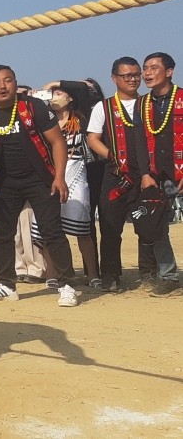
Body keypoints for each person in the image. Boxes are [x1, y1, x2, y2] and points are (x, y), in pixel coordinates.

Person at [0, 65, 80, 307]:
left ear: (15, 83)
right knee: (1, 236)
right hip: (2, 183)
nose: (3, 85)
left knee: (52, 232)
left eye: (8, 80)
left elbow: (57, 142)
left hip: (40, 179)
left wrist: (59, 176)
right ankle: (6, 285)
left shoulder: (33, 107)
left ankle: (66, 285)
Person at [87, 57, 157, 292]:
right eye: (127, 75)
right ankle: (110, 275)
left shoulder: (150, 104)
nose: (133, 79)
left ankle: (149, 273)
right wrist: (113, 156)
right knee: (110, 227)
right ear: (114, 78)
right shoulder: (103, 107)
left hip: (147, 176)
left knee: (148, 226)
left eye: (137, 74)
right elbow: (93, 139)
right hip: (114, 176)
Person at [32, 83, 99, 288]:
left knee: (82, 228)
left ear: (71, 98)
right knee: (47, 228)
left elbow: (83, 89)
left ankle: (93, 274)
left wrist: (56, 83)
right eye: (52, 94)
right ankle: (53, 273)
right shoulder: (43, 119)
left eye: (59, 94)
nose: (54, 96)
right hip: (49, 175)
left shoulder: (81, 118)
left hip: (76, 174)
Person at [133, 52, 180, 297]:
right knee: (158, 226)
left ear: (169, 72)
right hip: (156, 175)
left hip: (180, 171)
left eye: (153, 67)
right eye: (145, 68)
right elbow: (139, 142)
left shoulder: (182, 97)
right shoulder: (141, 104)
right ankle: (169, 276)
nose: (147, 73)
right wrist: (144, 173)